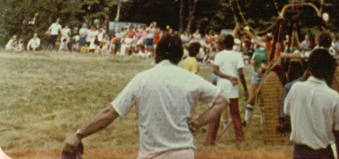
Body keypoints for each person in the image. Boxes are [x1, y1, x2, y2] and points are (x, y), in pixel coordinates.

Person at [61, 32, 227, 159]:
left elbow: (109, 113)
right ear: (179, 56)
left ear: (157, 54)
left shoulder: (142, 79)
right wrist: (198, 122)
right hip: (183, 154)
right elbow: (222, 100)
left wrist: (79, 134)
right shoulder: (191, 79)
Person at [283, 48, 339, 159]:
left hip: (299, 153)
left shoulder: (296, 88)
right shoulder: (333, 97)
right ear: (329, 70)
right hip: (322, 154)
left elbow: (287, 111)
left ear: (308, 68)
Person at [205, 33, 248, 145]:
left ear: (223, 44)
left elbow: (215, 70)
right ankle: (240, 139)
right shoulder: (237, 55)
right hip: (232, 87)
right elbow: (241, 73)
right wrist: (245, 88)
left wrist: (226, 76)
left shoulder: (219, 55)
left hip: (222, 87)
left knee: (216, 115)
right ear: (233, 44)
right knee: (235, 115)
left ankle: (209, 140)